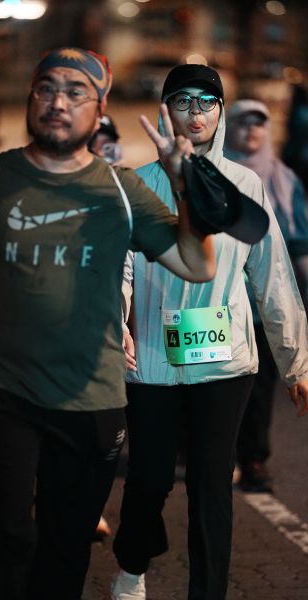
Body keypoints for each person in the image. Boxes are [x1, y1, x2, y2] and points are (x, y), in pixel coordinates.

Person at [0, 48, 216, 600]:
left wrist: (185, 183)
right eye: (47, 88)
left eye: (76, 92)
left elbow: (198, 264)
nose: (58, 101)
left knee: (67, 542)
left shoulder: (121, 190)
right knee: (4, 530)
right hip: (0, 387)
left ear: (99, 110)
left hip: (92, 396)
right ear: (31, 98)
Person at [111, 64, 308, 600]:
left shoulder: (244, 186)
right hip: (150, 360)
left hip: (224, 364)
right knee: (149, 480)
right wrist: (115, 324)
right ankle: (131, 565)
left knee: (210, 486)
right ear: (164, 110)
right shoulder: (138, 185)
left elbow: (272, 276)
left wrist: (296, 363)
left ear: (220, 112)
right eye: (183, 101)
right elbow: (119, 268)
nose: (195, 113)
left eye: (207, 101)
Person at [224, 99, 308, 492]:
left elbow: (299, 240)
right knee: (206, 380)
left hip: (261, 304)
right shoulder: (206, 172)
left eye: (260, 123)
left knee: (258, 386)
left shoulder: (283, 179)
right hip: (213, 302)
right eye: (243, 122)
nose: (251, 130)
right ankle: (204, 450)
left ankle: (253, 459)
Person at [88, 112, 123, 541]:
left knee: (105, 432)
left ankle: (90, 506)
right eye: (94, 138)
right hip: (65, 330)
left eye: (107, 139)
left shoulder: (129, 189)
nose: (102, 145)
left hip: (114, 330)